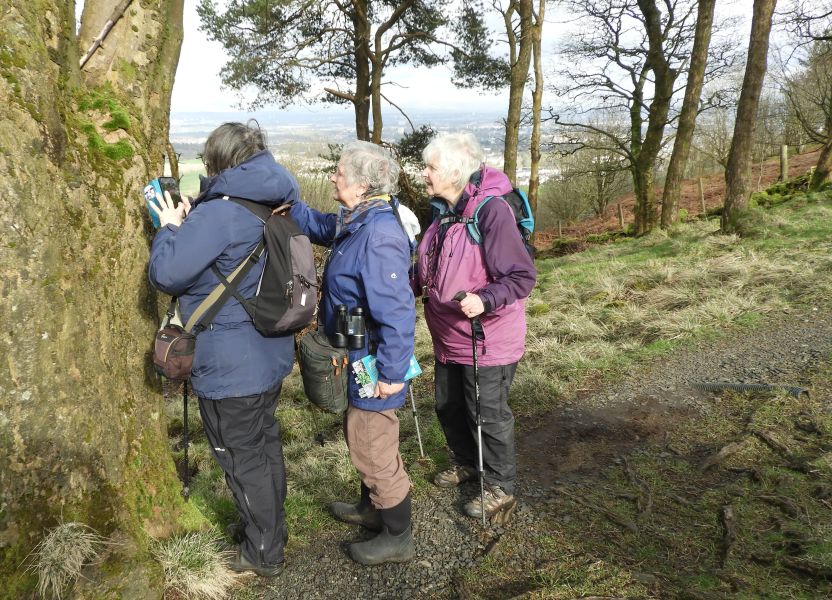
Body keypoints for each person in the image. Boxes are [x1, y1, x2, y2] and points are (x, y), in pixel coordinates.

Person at [147, 122, 298, 577]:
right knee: (264, 445)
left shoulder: (222, 213)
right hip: (268, 348)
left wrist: (170, 228)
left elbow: (168, 273)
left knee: (241, 455)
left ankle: (263, 552)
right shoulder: (275, 200)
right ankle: (270, 530)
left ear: (217, 161)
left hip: (232, 362)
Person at [290, 141, 418, 565]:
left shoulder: (378, 234)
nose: (332, 176)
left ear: (363, 183)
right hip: (357, 353)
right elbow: (325, 226)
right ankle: (371, 508)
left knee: (371, 442)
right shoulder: (361, 219)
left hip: (374, 361)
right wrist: (287, 204)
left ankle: (398, 535)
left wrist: (392, 373)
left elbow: (398, 312)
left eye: (340, 172)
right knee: (360, 433)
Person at [413, 132, 537, 520]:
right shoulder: (442, 213)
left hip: (487, 337)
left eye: (430, 167)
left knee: (487, 412)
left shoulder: (491, 212)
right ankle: (467, 462)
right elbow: (429, 267)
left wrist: (484, 299)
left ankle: (500, 485)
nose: (423, 174)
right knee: (448, 405)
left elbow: (521, 277)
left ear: (453, 171)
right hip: (449, 338)